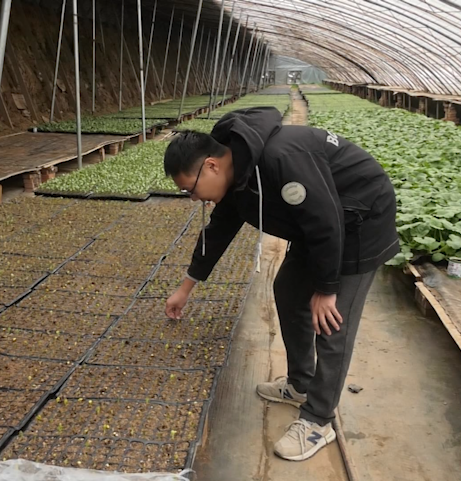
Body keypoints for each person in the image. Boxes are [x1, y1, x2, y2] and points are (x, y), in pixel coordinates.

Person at [163, 106, 399, 461]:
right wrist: (186, 287)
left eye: (190, 190)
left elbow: (327, 222)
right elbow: (220, 230)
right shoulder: (239, 171)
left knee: (332, 322)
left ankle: (319, 420)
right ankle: (301, 384)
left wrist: (326, 289)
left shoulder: (280, 158)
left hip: (360, 220)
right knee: (288, 289)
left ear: (211, 165)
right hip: (323, 223)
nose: (194, 198)